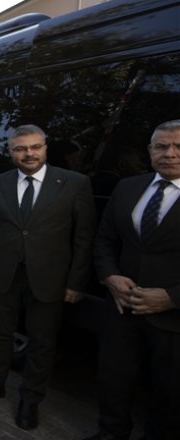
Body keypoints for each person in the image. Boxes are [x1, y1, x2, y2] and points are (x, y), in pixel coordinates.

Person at [0, 124, 96, 431]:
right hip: (4, 273)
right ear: (11, 152)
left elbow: (84, 237)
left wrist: (76, 282)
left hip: (49, 277)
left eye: (35, 147)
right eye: (21, 148)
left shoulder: (74, 183)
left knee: (42, 341)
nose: (29, 154)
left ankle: (30, 399)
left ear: (45, 148)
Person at [84, 120, 180, 440]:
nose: (170, 153)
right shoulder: (128, 188)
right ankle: (111, 432)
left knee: (166, 392)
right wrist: (110, 276)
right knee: (114, 379)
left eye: (178, 146)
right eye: (161, 146)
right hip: (121, 310)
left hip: (172, 320)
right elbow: (105, 240)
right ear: (149, 151)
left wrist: (172, 297)